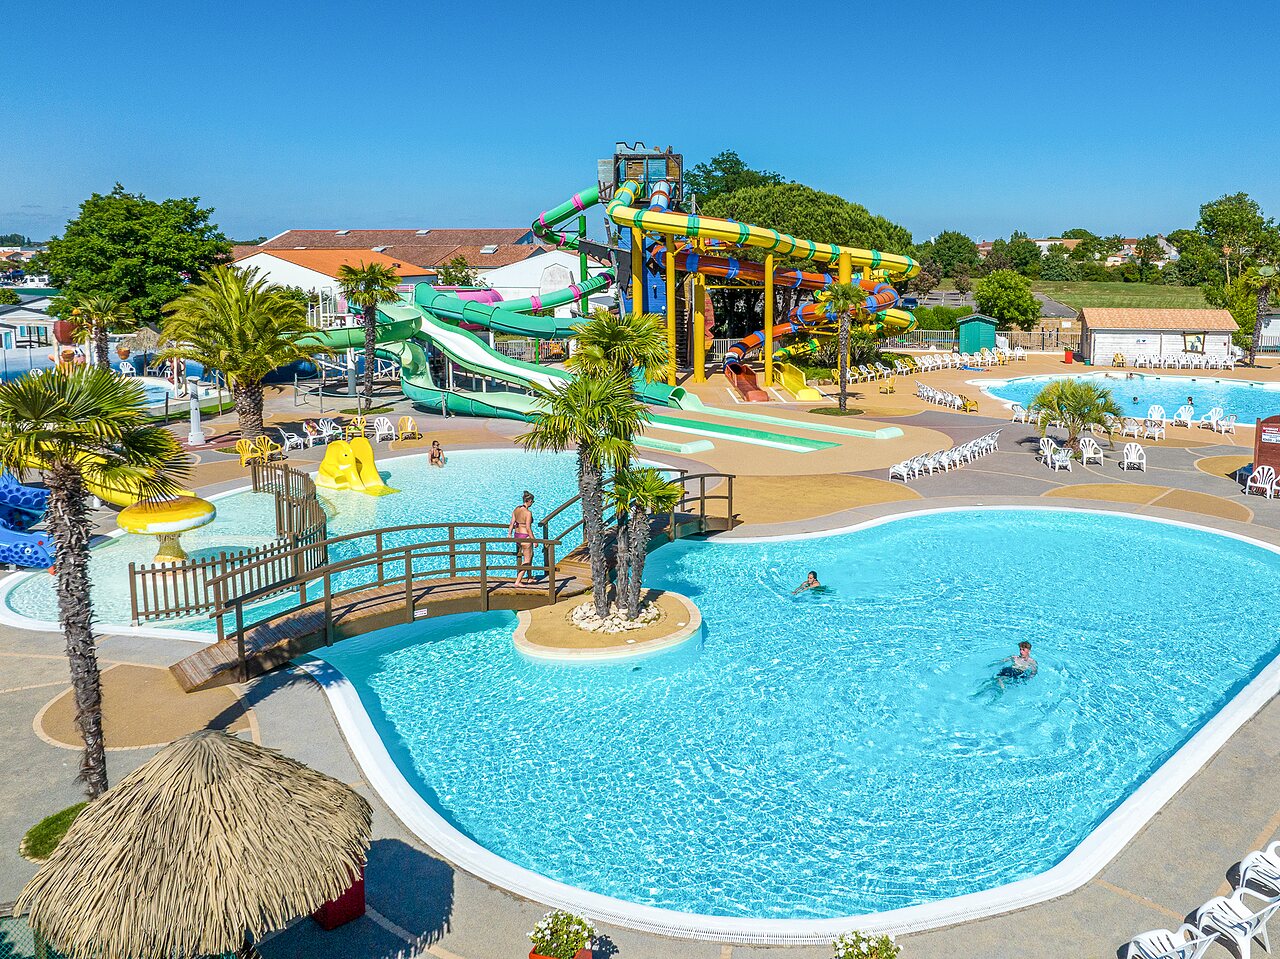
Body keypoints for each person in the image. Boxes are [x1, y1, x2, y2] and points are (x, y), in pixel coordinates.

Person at [509, 491, 535, 585]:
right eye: (533, 501)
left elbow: (512, 523)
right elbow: (528, 528)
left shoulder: (516, 509)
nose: (532, 503)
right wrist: (534, 540)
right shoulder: (528, 513)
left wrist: (509, 534)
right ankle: (518, 581)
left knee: (530, 555)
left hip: (517, 536)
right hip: (525, 537)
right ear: (529, 501)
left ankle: (529, 577)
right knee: (527, 560)